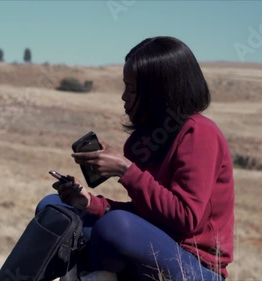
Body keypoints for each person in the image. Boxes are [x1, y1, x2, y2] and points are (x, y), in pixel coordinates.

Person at [36, 36, 234, 280]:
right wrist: (90, 203)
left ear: (158, 94)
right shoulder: (141, 143)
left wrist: (125, 170)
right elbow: (148, 214)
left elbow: (185, 219)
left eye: (131, 89)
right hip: (151, 251)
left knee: (116, 227)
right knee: (53, 208)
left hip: (196, 268)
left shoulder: (200, 132)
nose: (123, 97)